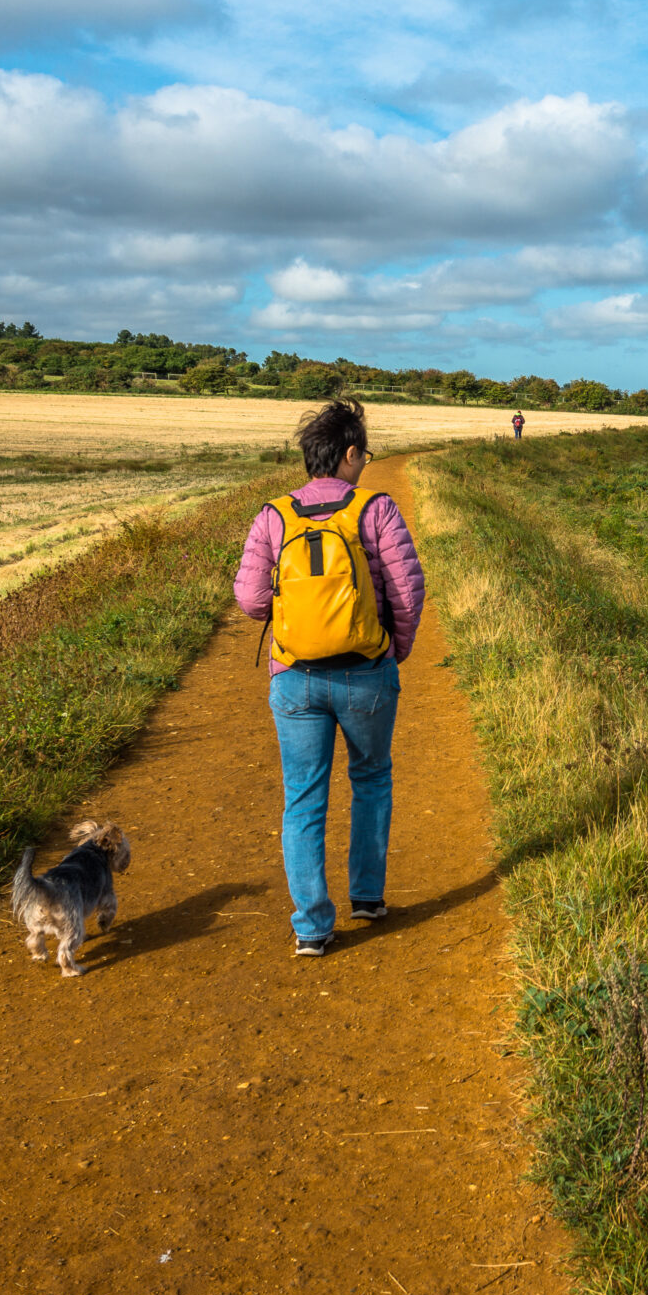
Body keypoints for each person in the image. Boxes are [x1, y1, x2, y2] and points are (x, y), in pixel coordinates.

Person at [233, 400, 425, 957]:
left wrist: (292, 615)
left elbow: (248, 599)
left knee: (303, 798)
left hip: (294, 677)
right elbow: (407, 594)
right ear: (347, 453)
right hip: (367, 674)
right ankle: (367, 897)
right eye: (364, 454)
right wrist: (393, 651)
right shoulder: (376, 509)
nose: (365, 462)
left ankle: (312, 928)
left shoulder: (274, 515)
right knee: (371, 779)